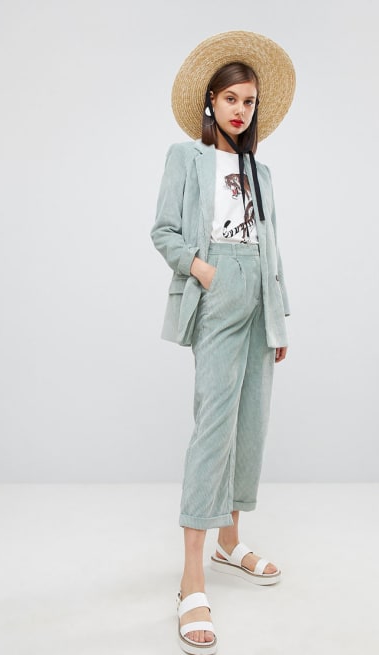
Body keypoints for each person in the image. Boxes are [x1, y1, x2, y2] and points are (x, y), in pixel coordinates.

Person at [150, 30, 296, 654]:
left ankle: (230, 542)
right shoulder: (187, 158)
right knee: (214, 426)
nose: (241, 109)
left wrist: (279, 314)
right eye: (231, 98)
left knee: (249, 423)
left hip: (261, 294)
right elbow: (163, 230)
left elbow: (272, 245)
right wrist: (202, 270)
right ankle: (191, 579)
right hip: (217, 289)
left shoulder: (262, 171)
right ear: (210, 101)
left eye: (249, 101)